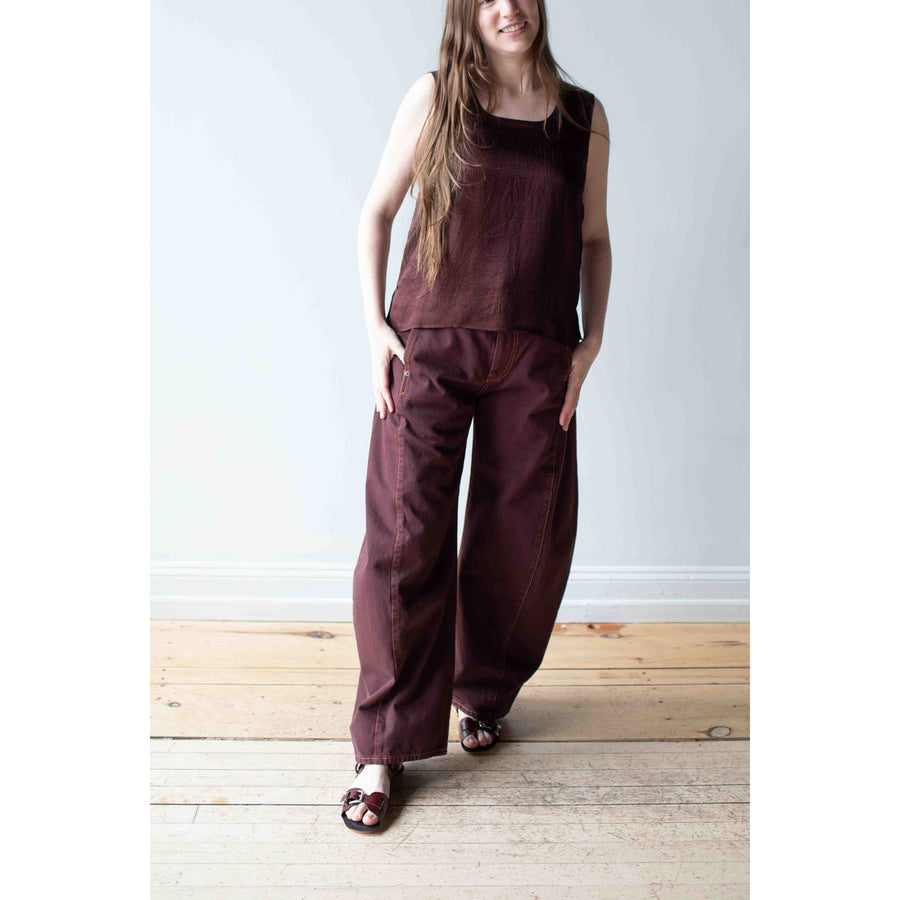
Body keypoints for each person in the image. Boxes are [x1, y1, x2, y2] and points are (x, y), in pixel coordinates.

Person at [340, 0, 611, 832]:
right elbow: (378, 209)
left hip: (536, 353)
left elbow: (594, 239)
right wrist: (375, 330)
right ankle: (382, 747)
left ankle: (482, 692)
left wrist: (590, 344)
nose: (507, 8)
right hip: (431, 344)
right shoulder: (436, 98)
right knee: (404, 538)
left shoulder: (582, 117)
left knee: (522, 538)